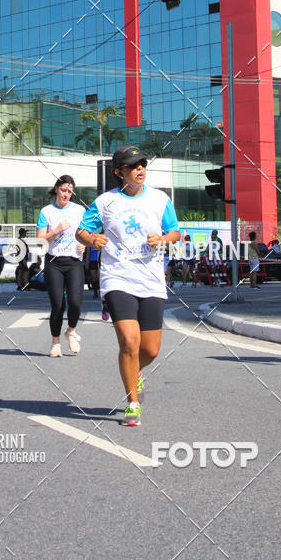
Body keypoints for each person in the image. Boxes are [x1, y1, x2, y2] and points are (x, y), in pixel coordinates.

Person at [76, 145, 180, 426]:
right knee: (129, 342)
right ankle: (132, 403)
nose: (140, 169)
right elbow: (81, 231)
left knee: (151, 350)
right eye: (133, 166)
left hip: (151, 279)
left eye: (142, 164)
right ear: (119, 172)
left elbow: (175, 231)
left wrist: (163, 239)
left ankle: (136, 372)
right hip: (117, 277)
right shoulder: (105, 202)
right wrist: (92, 239)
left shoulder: (160, 199)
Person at [36, 175, 86, 357]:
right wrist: (57, 230)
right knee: (58, 305)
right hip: (54, 262)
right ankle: (55, 343)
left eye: (69, 191)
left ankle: (71, 331)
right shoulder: (47, 212)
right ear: (56, 189)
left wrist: (85, 244)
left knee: (75, 303)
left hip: (74, 262)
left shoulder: (79, 210)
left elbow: (88, 232)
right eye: (63, 190)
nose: (66, 194)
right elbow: (40, 240)